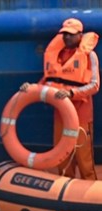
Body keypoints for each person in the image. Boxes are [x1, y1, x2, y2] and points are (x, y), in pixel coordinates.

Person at [21, 18, 100, 179]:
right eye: (64, 34)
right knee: (62, 158)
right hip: (61, 116)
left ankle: (91, 194)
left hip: (81, 116)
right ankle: (64, 191)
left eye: (71, 35)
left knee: (84, 159)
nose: (67, 38)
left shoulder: (89, 55)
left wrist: (71, 93)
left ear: (80, 35)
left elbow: (95, 85)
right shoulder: (58, 55)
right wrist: (30, 88)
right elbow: (47, 82)